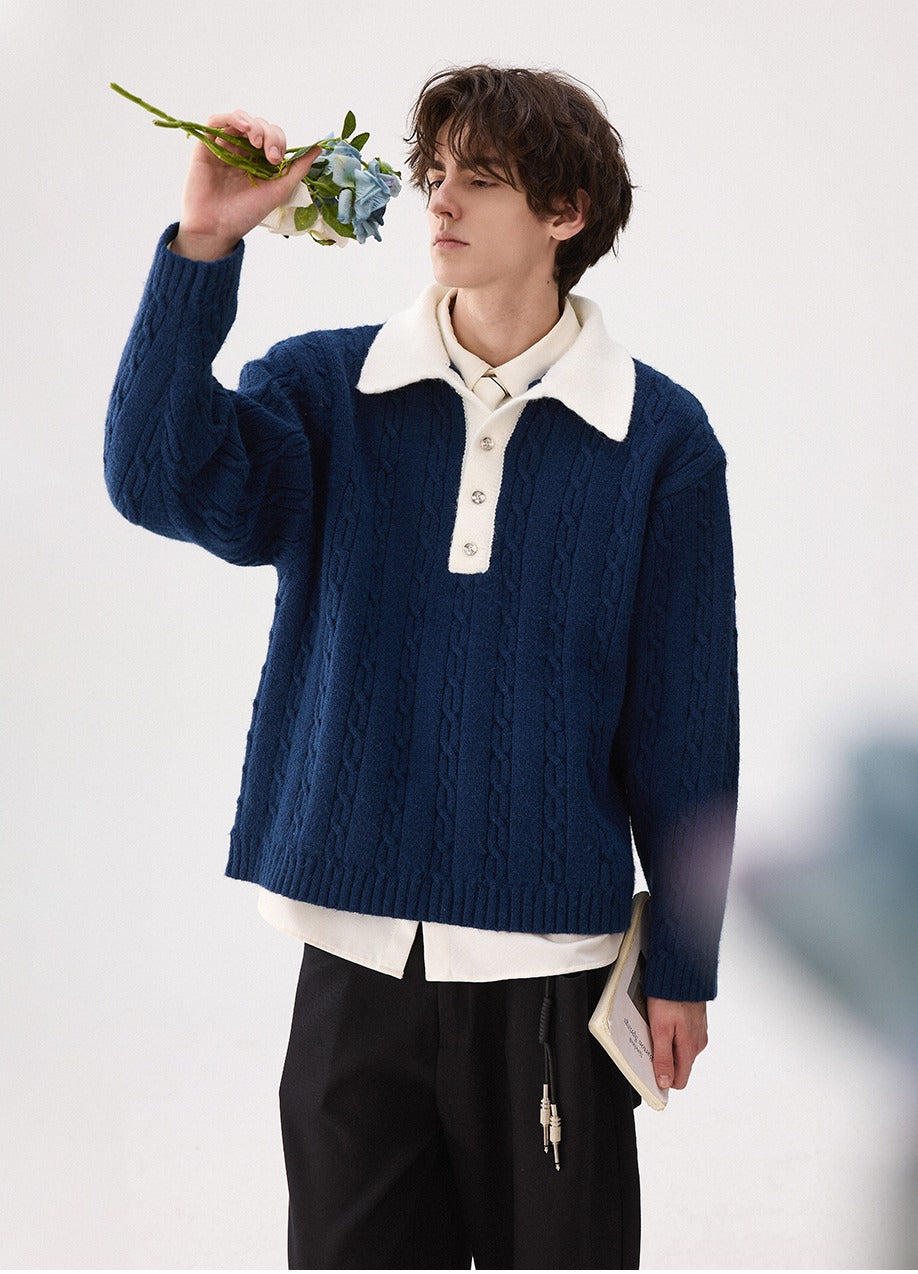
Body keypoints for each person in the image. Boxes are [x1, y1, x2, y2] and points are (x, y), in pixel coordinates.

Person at [105, 64, 739, 1270]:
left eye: (480, 180)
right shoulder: (325, 391)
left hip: (551, 971)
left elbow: (687, 721)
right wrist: (203, 247)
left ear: (565, 214)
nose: (439, 201)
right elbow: (154, 480)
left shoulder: (659, 441)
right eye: (434, 172)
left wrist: (685, 964)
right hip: (352, 957)